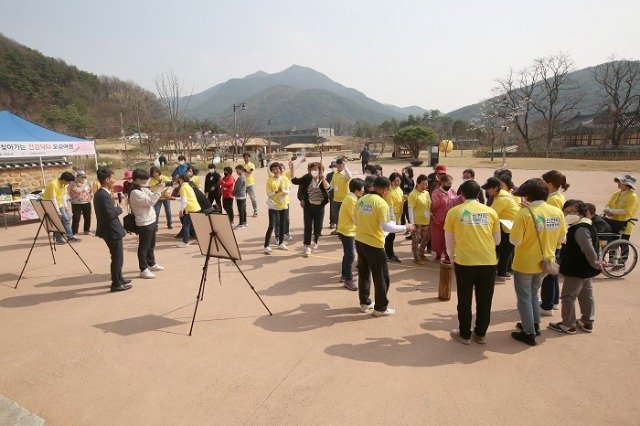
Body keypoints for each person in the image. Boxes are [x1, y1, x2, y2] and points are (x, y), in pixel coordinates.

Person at [509, 178, 567, 346]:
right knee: (533, 293)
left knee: (524, 297)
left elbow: (515, 241)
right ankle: (534, 324)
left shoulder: (524, 213)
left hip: (525, 262)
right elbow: (562, 239)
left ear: (528, 195)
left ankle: (529, 332)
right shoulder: (556, 212)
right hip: (546, 261)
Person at [445, 180, 501, 345]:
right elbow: (497, 240)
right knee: (485, 300)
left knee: (464, 299)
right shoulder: (490, 212)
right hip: (488, 261)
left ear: (461, 194)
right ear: (478, 194)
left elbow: (449, 240)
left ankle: (464, 334)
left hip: (465, 261)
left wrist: (452, 257)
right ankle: (481, 333)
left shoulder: (454, 212)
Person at [355, 177, 415, 317]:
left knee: (364, 274)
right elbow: (386, 226)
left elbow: (356, 219)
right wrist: (404, 227)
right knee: (381, 277)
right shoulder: (381, 203)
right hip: (374, 245)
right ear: (385, 190)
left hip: (360, 241)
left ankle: (364, 302)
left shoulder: (362, 200)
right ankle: (380, 308)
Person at [548, 199, 602, 334]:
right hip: (586, 269)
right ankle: (587, 321)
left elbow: (588, 249)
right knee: (586, 294)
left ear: (581, 213)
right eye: (565, 212)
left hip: (576, 269)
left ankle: (568, 324)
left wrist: (596, 263)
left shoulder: (580, 229)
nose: (567, 215)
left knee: (568, 296)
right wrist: (596, 263)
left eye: (571, 212)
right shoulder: (587, 224)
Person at [94, 168, 131, 292]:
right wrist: (120, 208)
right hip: (111, 230)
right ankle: (116, 283)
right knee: (117, 257)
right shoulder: (103, 195)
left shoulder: (102, 193)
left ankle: (119, 278)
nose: (114, 180)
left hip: (109, 229)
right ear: (107, 180)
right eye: (113, 178)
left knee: (117, 256)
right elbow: (110, 215)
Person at [540, 170, 570, 315]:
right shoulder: (558, 196)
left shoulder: (552, 200)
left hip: (551, 240)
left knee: (548, 274)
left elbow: (552, 221)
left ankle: (547, 305)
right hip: (555, 240)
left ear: (550, 184)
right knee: (553, 271)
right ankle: (553, 301)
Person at [128, 169, 165, 279]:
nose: (146, 182)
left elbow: (152, 195)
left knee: (151, 244)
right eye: (144, 180)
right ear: (138, 179)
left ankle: (151, 263)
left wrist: (159, 190)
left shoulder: (142, 188)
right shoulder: (134, 192)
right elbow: (150, 201)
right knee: (143, 247)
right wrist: (159, 189)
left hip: (151, 220)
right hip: (144, 222)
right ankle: (143, 269)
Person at [482, 177, 519, 282]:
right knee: (503, 251)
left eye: (488, 188)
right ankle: (505, 271)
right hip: (506, 226)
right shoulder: (500, 195)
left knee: (504, 252)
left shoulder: (503, 198)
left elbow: (490, 213)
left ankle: (502, 274)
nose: (487, 191)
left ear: (495, 188)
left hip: (509, 228)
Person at [290, 161, 330, 257]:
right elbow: (295, 181)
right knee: (308, 226)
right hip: (308, 206)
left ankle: (316, 240)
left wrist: (323, 179)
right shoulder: (307, 178)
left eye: (316, 169)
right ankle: (307, 246)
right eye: (312, 169)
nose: (314, 171)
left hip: (320, 206)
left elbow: (328, 188)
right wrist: (292, 170)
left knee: (318, 226)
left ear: (320, 170)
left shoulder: (322, 178)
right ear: (309, 170)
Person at [603, 174, 638, 266]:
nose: (619, 183)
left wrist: (611, 211)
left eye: (621, 182)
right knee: (611, 241)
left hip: (625, 223)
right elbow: (608, 204)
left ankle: (622, 263)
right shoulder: (616, 194)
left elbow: (626, 211)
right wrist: (608, 210)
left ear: (628, 185)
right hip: (613, 222)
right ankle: (612, 260)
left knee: (623, 243)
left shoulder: (632, 196)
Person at [337, 178, 365, 291]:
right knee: (351, 255)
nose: (363, 190)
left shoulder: (352, 198)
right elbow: (355, 218)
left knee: (348, 254)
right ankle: (348, 279)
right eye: (362, 188)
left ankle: (344, 275)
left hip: (346, 230)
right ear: (356, 190)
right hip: (347, 231)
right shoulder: (351, 200)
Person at [43, 171, 79, 244]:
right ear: (64, 180)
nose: (69, 183)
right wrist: (57, 211)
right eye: (68, 182)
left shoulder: (64, 184)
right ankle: (67, 237)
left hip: (59, 205)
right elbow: (53, 198)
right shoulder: (54, 184)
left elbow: (63, 196)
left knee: (66, 218)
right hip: (50, 205)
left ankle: (62, 237)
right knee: (61, 220)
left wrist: (65, 207)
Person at [430, 174, 458, 262]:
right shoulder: (436, 192)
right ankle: (438, 254)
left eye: (450, 183)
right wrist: (441, 199)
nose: (449, 185)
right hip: (438, 220)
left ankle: (447, 255)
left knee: (448, 238)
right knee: (438, 238)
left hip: (449, 219)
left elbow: (456, 202)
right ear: (442, 183)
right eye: (447, 183)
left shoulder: (452, 192)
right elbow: (433, 206)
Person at [264, 162, 289, 254]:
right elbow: (268, 194)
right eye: (274, 169)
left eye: (277, 168)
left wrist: (283, 191)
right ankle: (266, 246)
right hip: (273, 206)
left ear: (280, 169)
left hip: (283, 204)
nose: (276, 170)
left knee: (282, 224)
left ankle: (281, 243)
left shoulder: (284, 178)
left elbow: (288, 191)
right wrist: (276, 192)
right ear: (271, 171)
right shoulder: (269, 180)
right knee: (271, 225)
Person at [408, 174, 431, 264]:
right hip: (417, 222)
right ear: (417, 183)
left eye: (426, 184)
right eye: (423, 184)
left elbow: (428, 206)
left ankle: (421, 253)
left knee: (426, 239)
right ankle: (416, 257)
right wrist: (412, 223)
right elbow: (410, 209)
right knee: (416, 240)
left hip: (426, 220)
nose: (425, 186)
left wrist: (430, 214)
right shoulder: (413, 194)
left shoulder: (426, 193)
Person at [176, 174, 201, 248]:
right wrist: (174, 198)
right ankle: (199, 240)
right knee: (196, 225)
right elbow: (185, 198)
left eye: (179, 179)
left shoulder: (183, 188)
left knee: (186, 225)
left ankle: (185, 242)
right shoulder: (189, 186)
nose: (178, 181)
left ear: (181, 179)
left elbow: (184, 200)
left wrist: (181, 210)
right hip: (196, 207)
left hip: (190, 208)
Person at [384, 172, 404, 263]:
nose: (397, 183)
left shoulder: (399, 189)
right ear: (391, 181)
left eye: (398, 181)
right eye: (395, 181)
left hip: (397, 216)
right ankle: (389, 254)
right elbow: (390, 207)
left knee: (391, 237)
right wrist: (394, 221)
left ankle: (388, 254)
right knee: (390, 237)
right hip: (391, 217)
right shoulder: (389, 192)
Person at [329, 158, 353, 235]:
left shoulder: (345, 173)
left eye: (341, 164)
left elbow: (349, 177)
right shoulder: (335, 174)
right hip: (336, 199)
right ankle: (338, 229)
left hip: (345, 199)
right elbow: (331, 185)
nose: (339, 166)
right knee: (336, 216)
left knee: (345, 216)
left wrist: (345, 167)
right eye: (338, 164)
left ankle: (345, 230)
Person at [68, 170, 93, 236]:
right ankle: (74, 232)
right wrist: (79, 186)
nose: (83, 178)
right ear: (77, 177)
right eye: (82, 177)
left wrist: (90, 197)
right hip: (76, 203)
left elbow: (90, 191)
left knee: (87, 217)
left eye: (84, 177)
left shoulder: (87, 183)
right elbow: (71, 192)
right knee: (76, 218)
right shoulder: (73, 184)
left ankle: (86, 230)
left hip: (86, 202)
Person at [241, 152, 258, 217]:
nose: (246, 158)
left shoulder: (252, 165)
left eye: (247, 157)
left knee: (253, 198)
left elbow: (248, 173)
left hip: (250, 184)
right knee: (243, 199)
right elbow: (241, 173)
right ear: (243, 158)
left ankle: (255, 211)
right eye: (245, 157)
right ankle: (243, 212)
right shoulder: (242, 165)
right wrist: (245, 171)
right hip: (243, 184)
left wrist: (244, 171)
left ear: (249, 158)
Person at [400, 166, 415, 231]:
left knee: (408, 214)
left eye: (406, 172)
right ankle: (402, 227)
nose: (405, 173)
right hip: (403, 198)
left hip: (408, 198)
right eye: (405, 172)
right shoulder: (403, 179)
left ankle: (410, 228)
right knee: (402, 213)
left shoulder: (411, 180)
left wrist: (403, 173)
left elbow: (407, 181)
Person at [326, 161, 337, 229]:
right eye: (333, 166)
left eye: (335, 166)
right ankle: (332, 222)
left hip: (341, 194)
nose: (334, 167)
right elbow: (327, 185)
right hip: (332, 194)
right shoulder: (329, 175)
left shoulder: (341, 174)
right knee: (332, 209)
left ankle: (339, 223)